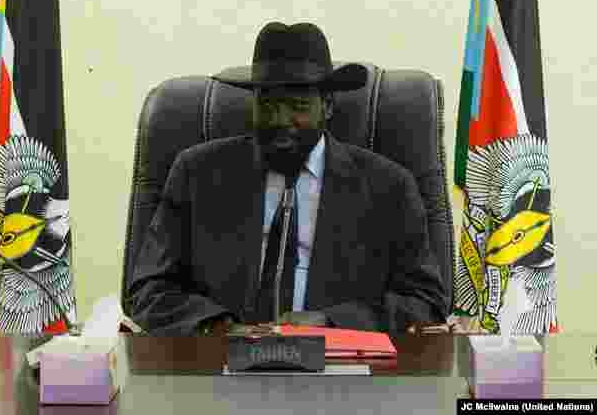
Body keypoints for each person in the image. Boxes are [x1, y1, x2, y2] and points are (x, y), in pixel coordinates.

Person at [127, 22, 447, 335]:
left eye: (297, 106)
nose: (279, 120)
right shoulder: (196, 175)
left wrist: (330, 324)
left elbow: (425, 302)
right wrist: (216, 327)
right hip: (220, 370)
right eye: (267, 104)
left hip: (341, 374)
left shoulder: (389, 188)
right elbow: (148, 289)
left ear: (328, 106)